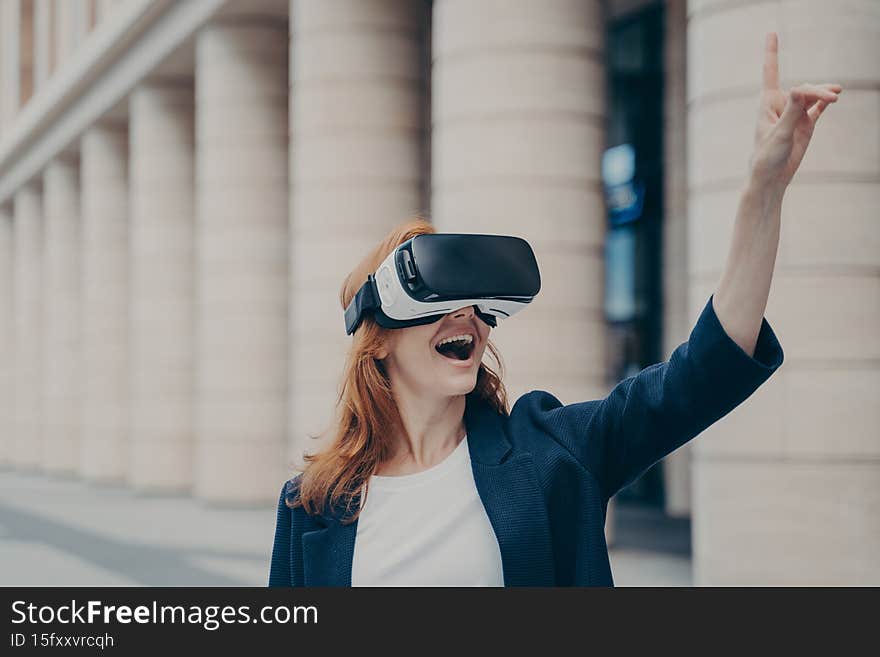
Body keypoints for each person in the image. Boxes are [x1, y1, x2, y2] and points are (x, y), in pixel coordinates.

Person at [268, 32, 841, 586]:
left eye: (477, 305)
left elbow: (705, 375)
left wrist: (762, 192)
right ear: (381, 337)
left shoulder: (553, 453)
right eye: (439, 299)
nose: (467, 316)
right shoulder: (313, 503)